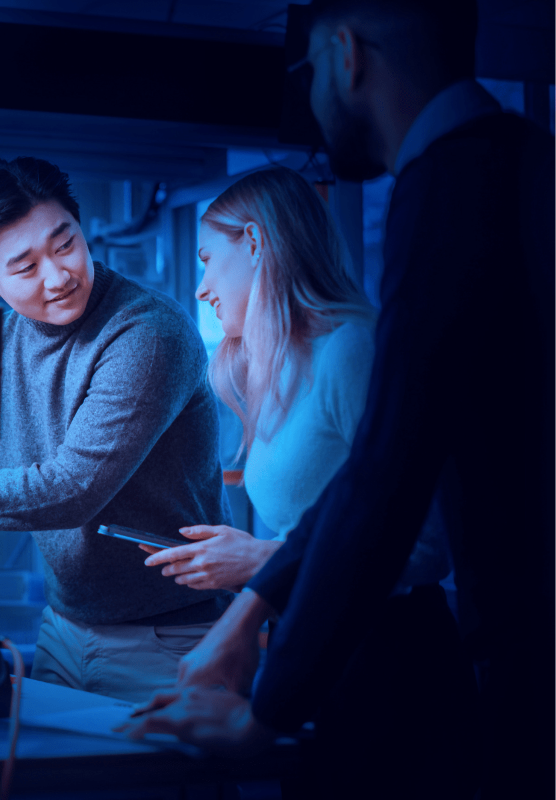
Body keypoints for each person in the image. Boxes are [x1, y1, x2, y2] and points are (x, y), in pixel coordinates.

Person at [125, 1, 554, 797]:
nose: (203, 286)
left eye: (311, 72)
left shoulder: (452, 190)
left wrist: (264, 706)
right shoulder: (517, 164)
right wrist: (254, 614)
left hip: (437, 667)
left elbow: (392, 479)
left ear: (346, 56)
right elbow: (371, 476)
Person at [0, 156, 232, 706]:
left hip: (169, 638)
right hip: (62, 630)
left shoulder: (148, 332)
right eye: (24, 266)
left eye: (64, 243)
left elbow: (72, 491)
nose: (58, 274)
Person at [139, 166, 448, 596]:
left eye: (207, 260)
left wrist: (261, 558)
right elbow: (308, 535)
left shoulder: (352, 350)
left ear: (254, 243)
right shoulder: (280, 370)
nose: (201, 289)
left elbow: (427, 546)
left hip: (386, 643)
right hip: (317, 629)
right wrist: (253, 555)